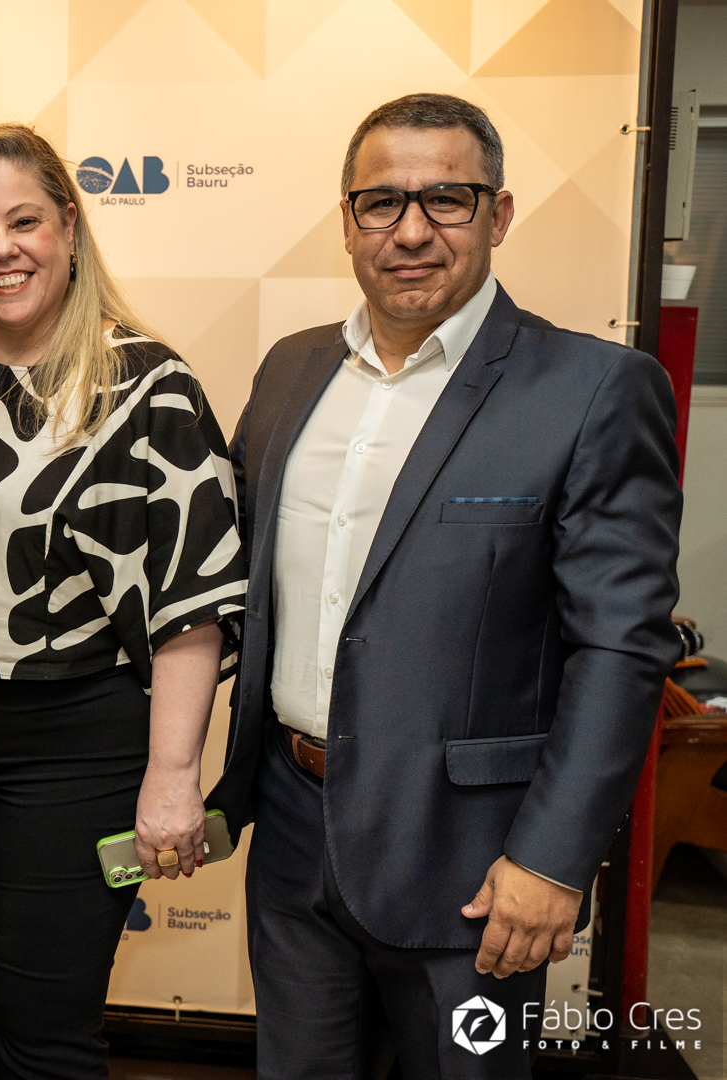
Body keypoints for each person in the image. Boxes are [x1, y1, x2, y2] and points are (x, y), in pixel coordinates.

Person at [205, 93, 683, 1077]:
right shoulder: (292, 371)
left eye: (447, 200)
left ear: (497, 215)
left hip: (476, 865)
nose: (412, 230)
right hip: (293, 832)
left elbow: (620, 646)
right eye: (381, 202)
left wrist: (552, 857)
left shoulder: (592, 388)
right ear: (348, 222)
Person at [0, 123, 248, 1078]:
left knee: (46, 1033)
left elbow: (193, 602)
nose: (1, 249)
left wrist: (173, 775)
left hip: (79, 747)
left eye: (24, 222)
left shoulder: (149, 385)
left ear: (71, 231)